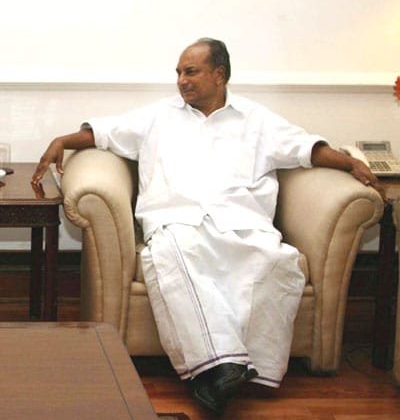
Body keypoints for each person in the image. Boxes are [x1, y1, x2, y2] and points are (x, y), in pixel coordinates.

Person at [32, 38, 384, 414]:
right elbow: (103, 133)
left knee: (278, 263)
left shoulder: (257, 120)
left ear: (220, 75)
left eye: (191, 71)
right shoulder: (157, 116)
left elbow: (306, 148)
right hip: (177, 223)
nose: (182, 81)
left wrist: (348, 163)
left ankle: (227, 373)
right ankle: (223, 365)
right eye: (179, 73)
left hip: (244, 225)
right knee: (174, 257)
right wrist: (61, 141)